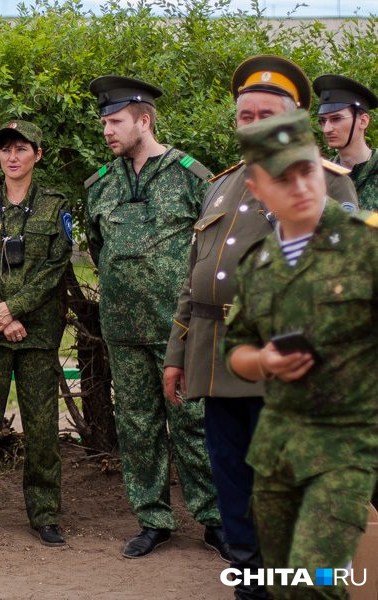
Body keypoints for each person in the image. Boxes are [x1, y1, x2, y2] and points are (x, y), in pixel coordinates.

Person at [162, 55, 359, 598]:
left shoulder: (327, 183)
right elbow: (195, 275)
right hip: (218, 364)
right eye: (244, 115)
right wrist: (177, 355)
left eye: (265, 114)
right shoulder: (224, 184)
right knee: (235, 496)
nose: (252, 123)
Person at [223, 108, 377, 600]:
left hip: (344, 445)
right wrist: (265, 361)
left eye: (307, 169)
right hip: (277, 448)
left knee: (317, 579)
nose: (301, 186)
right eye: (283, 178)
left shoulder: (367, 246)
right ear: (257, 188)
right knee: (284, 580)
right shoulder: (258, 263)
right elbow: (237, 352)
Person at [84, 75, 225, 560]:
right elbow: (99, 248)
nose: (107, 130)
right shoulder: (100, 186)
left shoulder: (192, 177)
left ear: (144, 120)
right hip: (122, 330)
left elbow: (212, 251)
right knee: (138, 426)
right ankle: (153, 520)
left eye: (115, 121)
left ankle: (215, 520)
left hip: (178, 330)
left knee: (193, 421)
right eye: (104, 122)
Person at [0, 120, 72, 548]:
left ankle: (45, 515)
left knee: (42, 430)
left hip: (38, 333)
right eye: (6, 150)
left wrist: (16, 308)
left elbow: (56, 266)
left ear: (37, 155)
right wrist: (1, 315)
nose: (13, 157)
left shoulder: (56, 204)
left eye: (22, 149)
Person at [313, 74, 378, 210]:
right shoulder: (322, 176)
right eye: (322, 121)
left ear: (363, 121)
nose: (327, 129)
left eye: (336, 119)